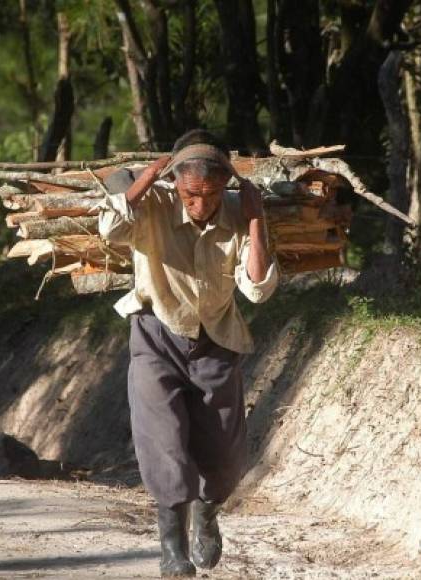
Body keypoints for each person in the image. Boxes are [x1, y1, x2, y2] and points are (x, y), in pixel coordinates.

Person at [98, 129, 278, 577]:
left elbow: (256, 289)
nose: (200, 205)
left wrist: (255, 219)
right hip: (155, 334)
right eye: (190, 194)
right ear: (175, 185)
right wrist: (148, 178)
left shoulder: (238, 214)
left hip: (216, 341)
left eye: (212, 194)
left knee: (223, 450)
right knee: (164, 440)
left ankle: (206, 512)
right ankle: (171, 544)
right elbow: (110, 229)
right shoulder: (153, 204)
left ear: (225, 188)